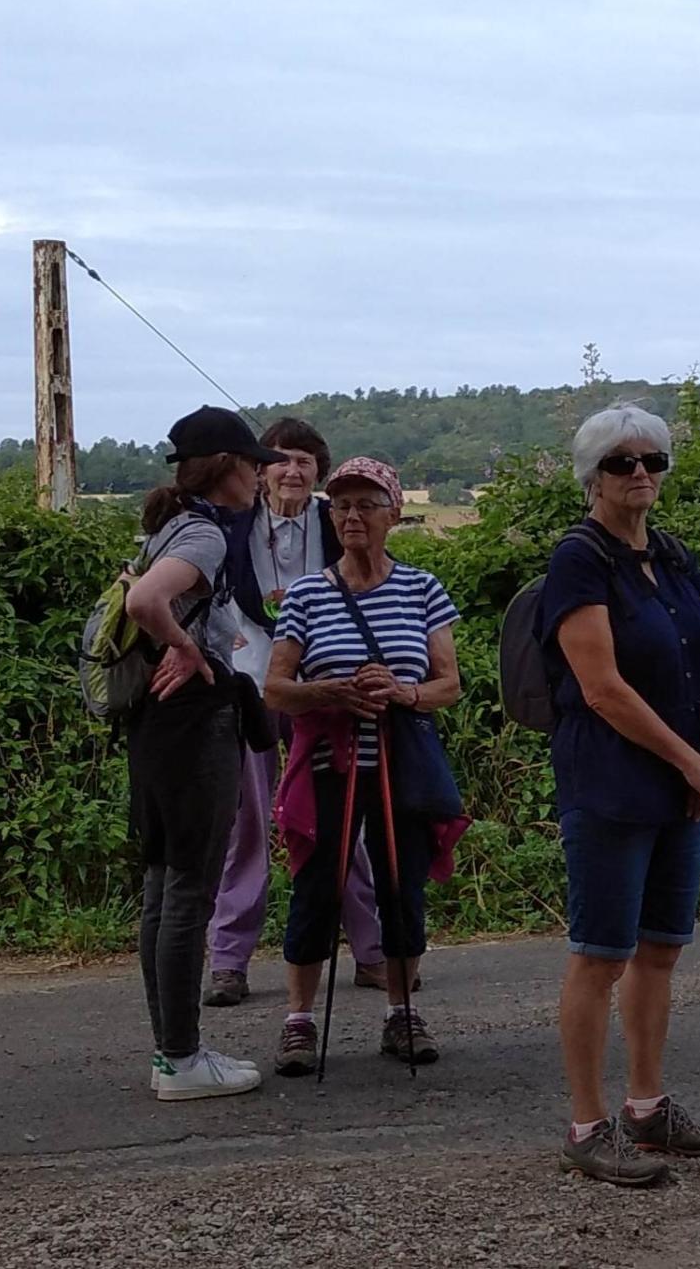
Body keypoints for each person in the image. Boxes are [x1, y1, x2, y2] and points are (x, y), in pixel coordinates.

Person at [537, 403, 700, 1187]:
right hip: (613, 783)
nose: (641, 474)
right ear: (593, 474)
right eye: (623, 462)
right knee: (600, 954)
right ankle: (588, 1124)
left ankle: (647, 1106)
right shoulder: (578, 561)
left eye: (654, 461)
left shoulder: (674, 555)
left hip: (685, 778)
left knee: (659, 949)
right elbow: (601, 688)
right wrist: (694, 762)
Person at [264, 457, 463, 1072]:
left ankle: (401, 1013)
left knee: (401, 888)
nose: (352, 515)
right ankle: (298, 1021)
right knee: (316, 889)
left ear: (393, 515)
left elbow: (448, 684)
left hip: (400, 766)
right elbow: (275, 688)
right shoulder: (306, 594)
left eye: (366, 504)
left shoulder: (422, 588)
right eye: (342, 505)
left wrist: (400, 692)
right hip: (331, 765)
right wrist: (332, 691)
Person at [201, 419, 393, 1008]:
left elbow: (374, 588)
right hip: (250, 687)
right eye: (281, 459)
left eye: (306, 462)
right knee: (248, 825)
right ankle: (229, 959)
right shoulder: (229, 524)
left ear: (319, 474)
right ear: (260, 468)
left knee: (343, 823)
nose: (292, 471)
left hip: (326, 692)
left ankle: (372, 951)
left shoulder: (337, 523)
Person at [123, 405, 285, 1101]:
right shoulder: (206, 535)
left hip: (154, 724)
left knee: (163, 884)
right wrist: (188, 648)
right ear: (226, 468)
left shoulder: (165, 525)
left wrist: (174, 641)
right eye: (254, 464)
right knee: (190, 884)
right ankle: (183, 1058)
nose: (261, 477)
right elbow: (145, 603)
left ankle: (170, 1052)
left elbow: (141, 592)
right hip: (195, 725)